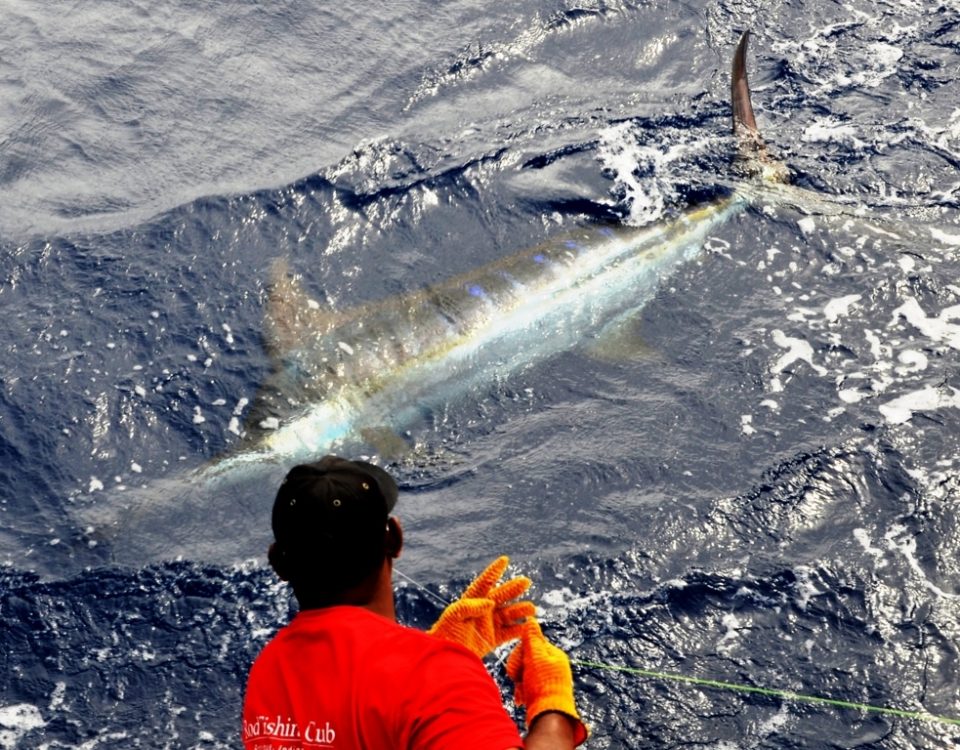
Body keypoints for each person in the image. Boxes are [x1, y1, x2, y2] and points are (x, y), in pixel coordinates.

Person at [242, 455, 588, 750]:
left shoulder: (268, 670)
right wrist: (551, 707)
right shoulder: (432, 674)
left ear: (279, 561)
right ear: (394, 537)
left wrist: (437, 652)